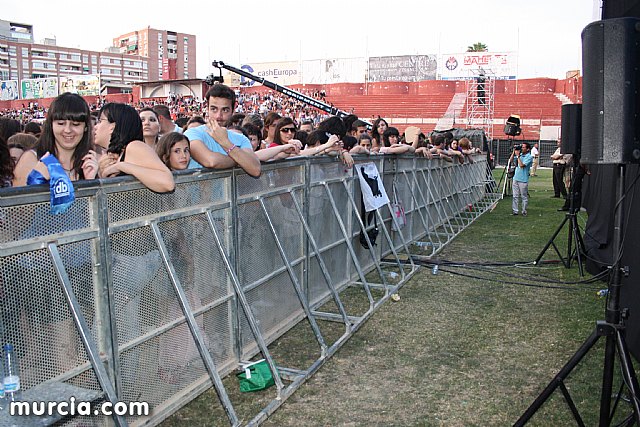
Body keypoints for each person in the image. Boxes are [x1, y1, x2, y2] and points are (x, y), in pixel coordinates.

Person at [14, 92, 99, 187]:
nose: (67, 130)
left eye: (75, 124)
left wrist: (90, 183)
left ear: (86, 127)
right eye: (60, 123)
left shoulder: (89, 163)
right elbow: (17, 200)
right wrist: (36, 181)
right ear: (51, 125)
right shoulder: (32, 159)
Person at [95, 102, 175, 193]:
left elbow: (167, 183)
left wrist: (121, 166)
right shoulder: (114, 154)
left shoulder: (134, 146)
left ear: (113, 126)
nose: (95, 126)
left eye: (100, 121)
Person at [183, 84, 261, 177]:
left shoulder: (241, 138)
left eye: (225, 110)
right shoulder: (192, 133)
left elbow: (255, 169)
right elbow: (211, 161)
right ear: (207, 109)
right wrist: (241, 161)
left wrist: (225, 142)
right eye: (214, 109)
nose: (218, 116)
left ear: (232, 111)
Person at [509, 142, 533, 216]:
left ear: (528, 149)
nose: (522, 148)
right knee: (515, 196)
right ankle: (515, 211)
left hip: (523, 179)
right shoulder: (521, 155)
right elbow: (510, 160)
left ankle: (524, 211)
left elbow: (522, 165)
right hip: (516, 177)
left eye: (523, 147)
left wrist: (518, 156)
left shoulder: (529, 157)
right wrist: (514, 152)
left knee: (523, 196)